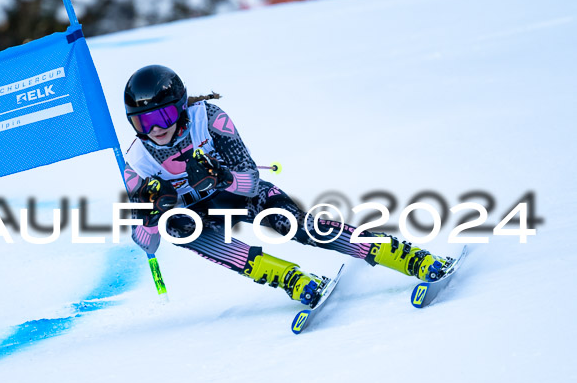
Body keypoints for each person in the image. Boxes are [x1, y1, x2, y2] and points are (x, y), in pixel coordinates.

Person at [122, 65, 453, 307]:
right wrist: (151, 216)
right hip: (201, 216)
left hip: (240, 197)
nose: (155, 129)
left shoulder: (208, 119)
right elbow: (146, 245)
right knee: (177, 228)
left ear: (179, 107)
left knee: (298, 226)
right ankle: (289, 278)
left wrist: (223, 178)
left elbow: (250, 182)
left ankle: (407, 257)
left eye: (162, 117)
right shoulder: (137, 161)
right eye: (142, 122)